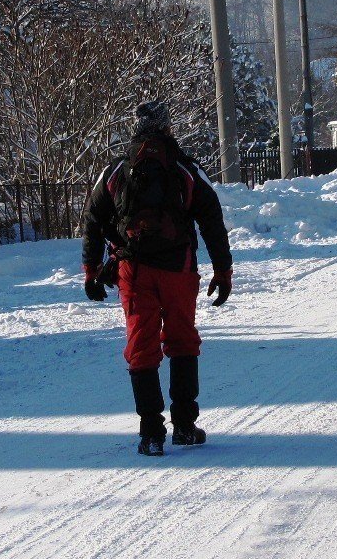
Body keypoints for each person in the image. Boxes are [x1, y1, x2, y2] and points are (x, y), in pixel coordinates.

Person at [81, 100, 233, 458]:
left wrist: (91, 270)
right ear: (167, 128)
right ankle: (183, 425)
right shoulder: (185, 169)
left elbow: (91, 219)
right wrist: (222, 270)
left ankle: (151, 432)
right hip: (178, 269)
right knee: (182, 340)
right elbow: (212, 219)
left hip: (133, 271)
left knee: (141, 346)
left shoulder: (117, 171)